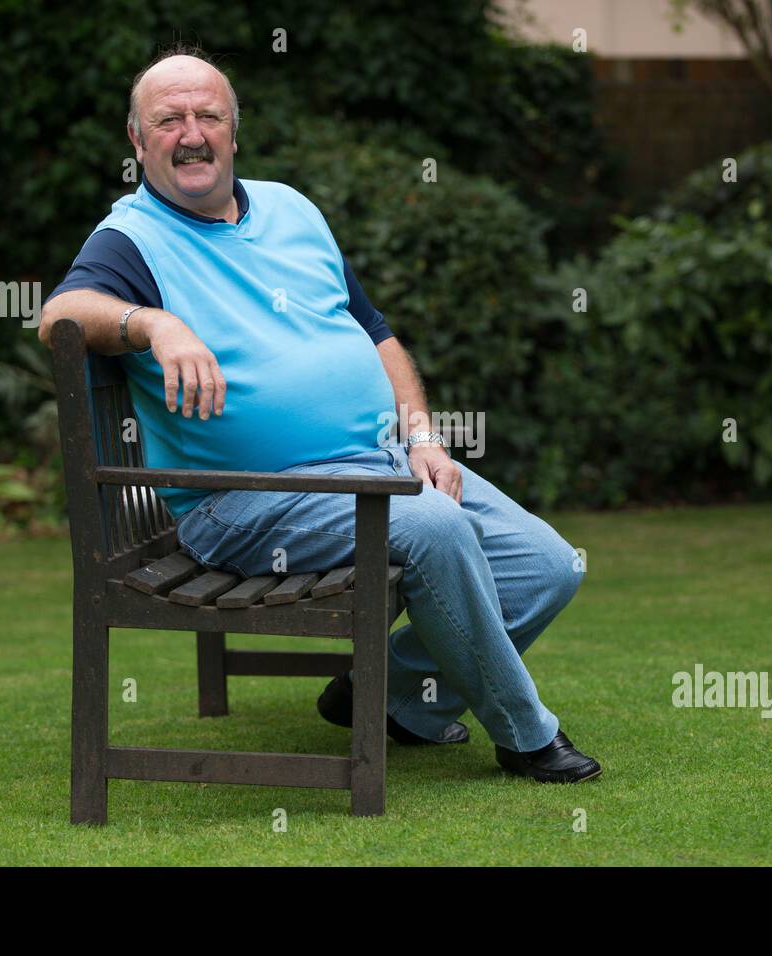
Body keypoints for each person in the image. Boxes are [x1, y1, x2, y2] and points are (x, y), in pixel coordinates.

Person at [38, 46, 601, 783]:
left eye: (208, 115)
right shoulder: (132, 240)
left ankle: (395, 699)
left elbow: (375, 332)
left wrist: (423, 438)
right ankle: (527, 734)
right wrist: (158, 325)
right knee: (433, 526)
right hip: (248, 501)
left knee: (548, 565)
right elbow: (59, 318)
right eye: (168, 120)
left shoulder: (293, 210)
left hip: (379, 464)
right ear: (138, 143)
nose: (192, 133)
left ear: (234, 133)